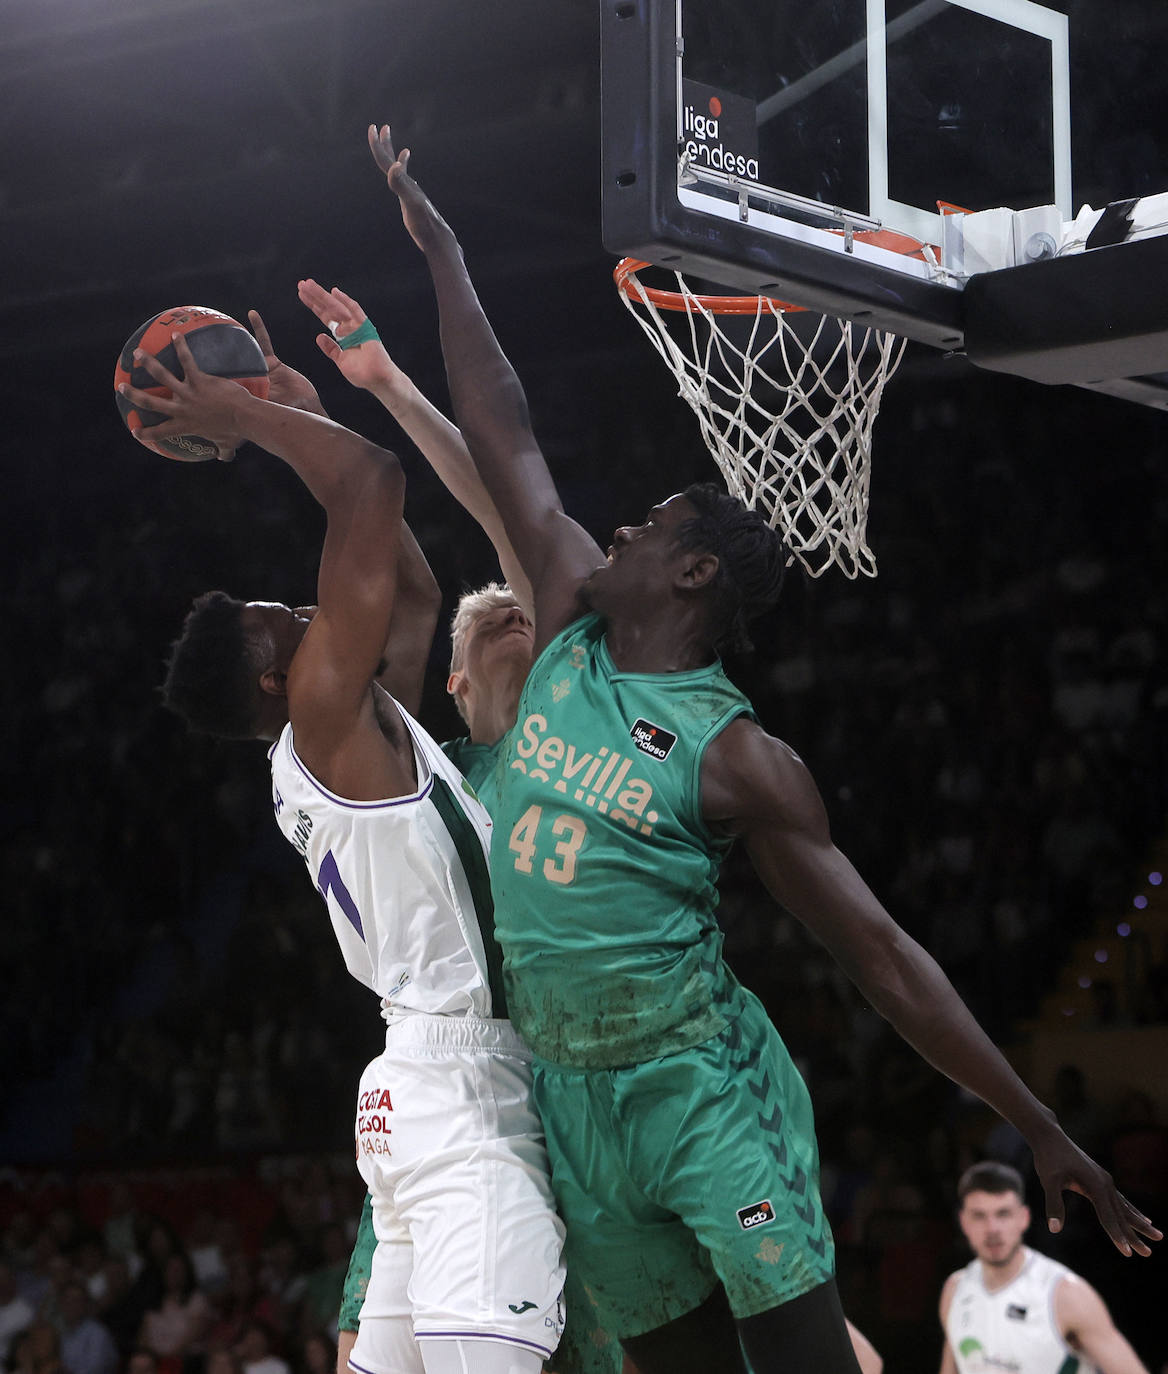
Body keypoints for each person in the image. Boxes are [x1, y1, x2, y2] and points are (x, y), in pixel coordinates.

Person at [367, 121, 1161, 1374]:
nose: (612, 531)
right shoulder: (570, 624)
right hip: (573, 1096)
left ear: (688, 573)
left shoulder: (737, 758)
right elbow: (504, 428)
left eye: (648, 526)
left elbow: (886, 960)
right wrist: (444, 251)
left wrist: (1037, 1124)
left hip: (696, 1084)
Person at [121, 329, 566, 1374]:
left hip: (418, 1083)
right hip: (459, 1099)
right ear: (280, 682)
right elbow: (370, 483)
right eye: (292, 622)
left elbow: (409, 594)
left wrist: (301, 403)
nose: (315, 612)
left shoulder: (357, 733)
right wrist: (249, 421)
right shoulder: (324, 727)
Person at [939, 1161, 1150, 1374]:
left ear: (1023, 1218)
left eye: (1003, 1214)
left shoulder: (1065, 1294)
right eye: (979, 1216)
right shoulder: (955, 1290)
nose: (992, 1229)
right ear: (963, 1222)